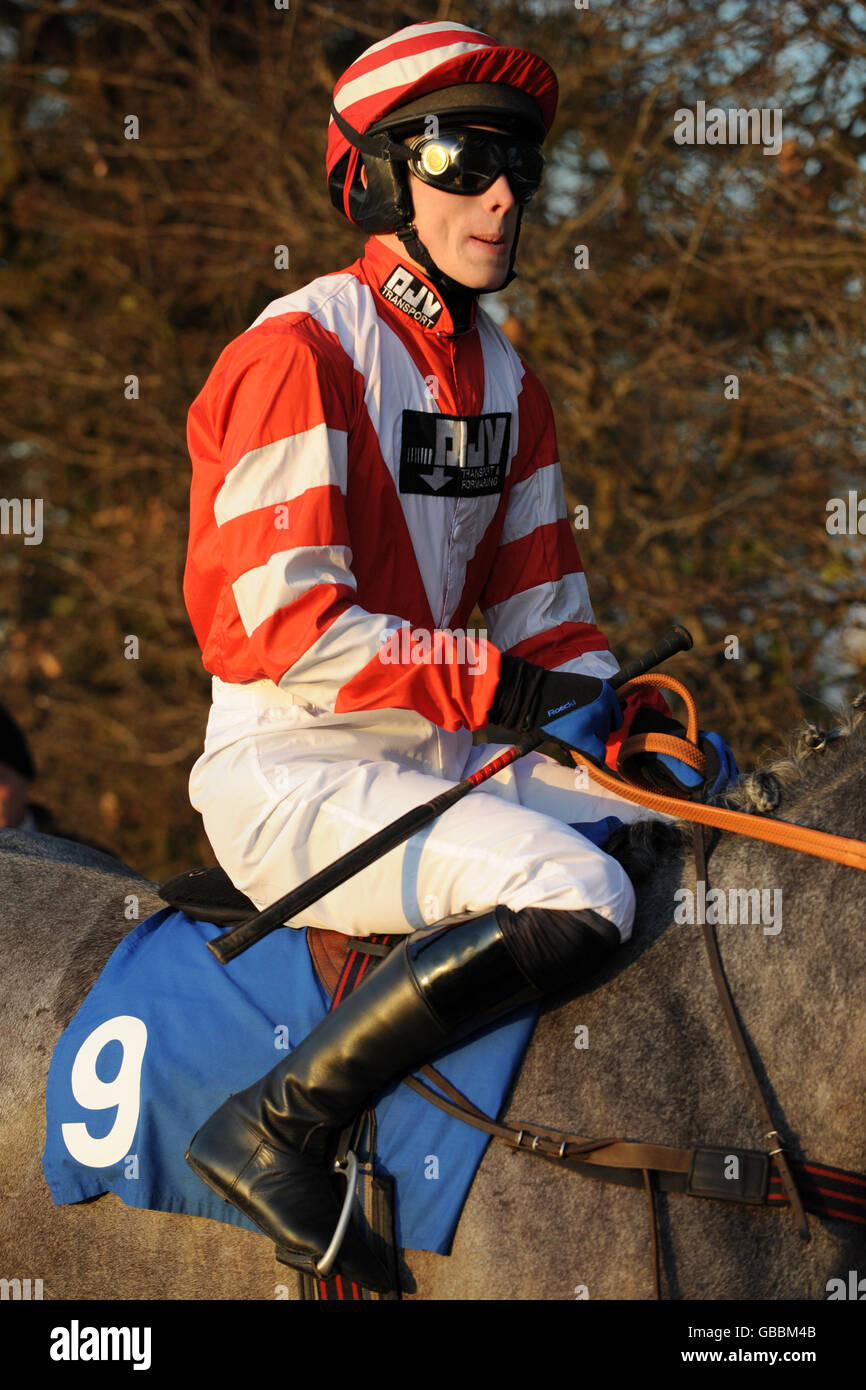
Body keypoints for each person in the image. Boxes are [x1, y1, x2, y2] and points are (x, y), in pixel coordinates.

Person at [182, 21, 737, 1292]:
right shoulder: (294, 354)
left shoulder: (508, 379)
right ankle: (275, 1125)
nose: (502, 191)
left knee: (684, 826)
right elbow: (282, 628)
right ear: (382, 176)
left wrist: (630, 721)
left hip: (439, 757)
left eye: (520, 166)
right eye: (462, 155)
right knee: (581, 895)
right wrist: (500, 687)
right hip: (293, 775)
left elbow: (551, 626)